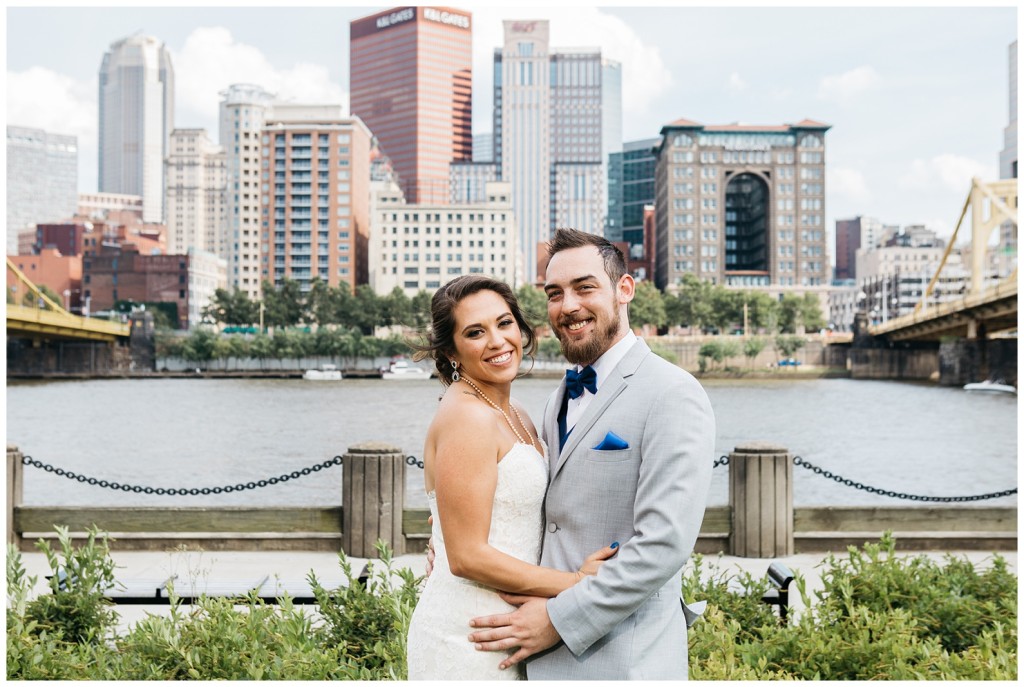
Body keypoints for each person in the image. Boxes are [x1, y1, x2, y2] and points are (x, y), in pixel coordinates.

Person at [465, 228, 716, 679]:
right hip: (534, 662)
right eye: (554, 294)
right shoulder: (557, 398)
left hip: (623, 662)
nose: (569, 306)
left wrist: (559, 620)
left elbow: (664, 544)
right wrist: (450, 537)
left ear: (624, 289)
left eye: (585, 287)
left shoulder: (673, 393)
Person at [405, 274, 617, 680]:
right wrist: (573, 583)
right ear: (451, 351)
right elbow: (467, 556)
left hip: (513, 628)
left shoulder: (513, 409)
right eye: (475, 332)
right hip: (470, 636)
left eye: (504, 323)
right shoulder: (467, 417)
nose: (498, 342)